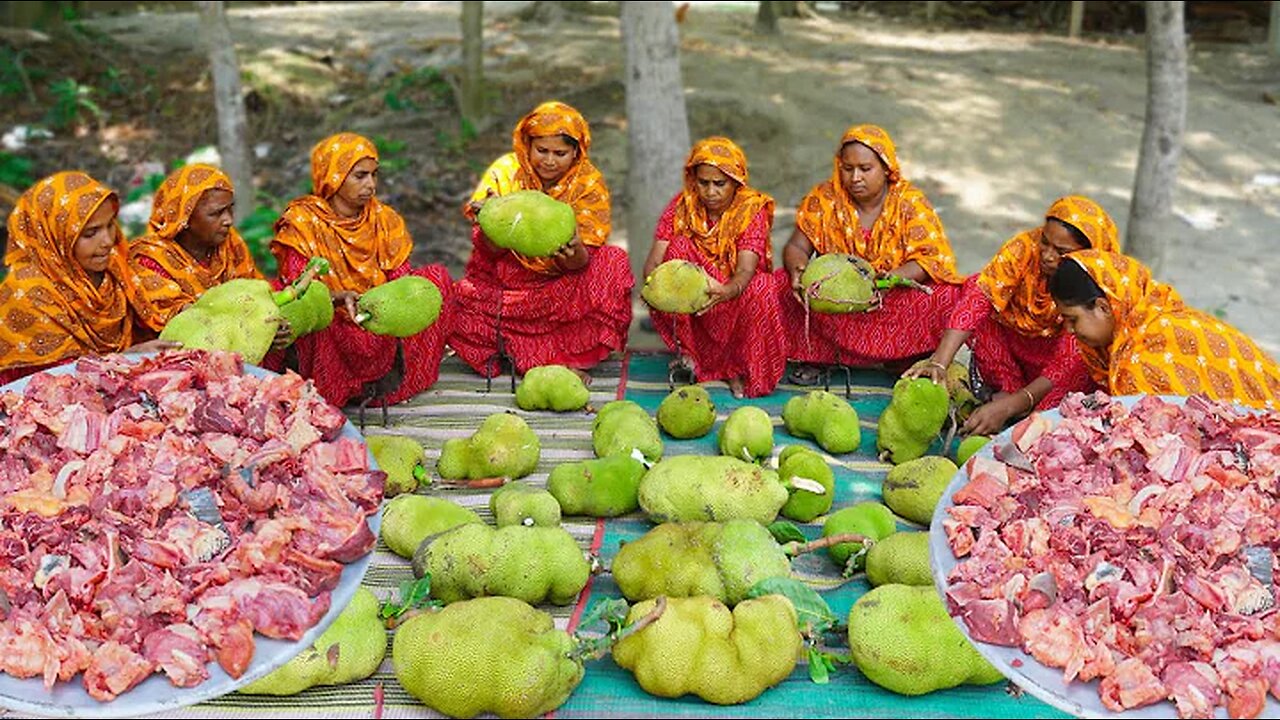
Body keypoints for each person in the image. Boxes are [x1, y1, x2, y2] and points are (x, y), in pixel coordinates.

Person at [451, 100, 632, 383]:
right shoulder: (506, 171)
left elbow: (582, 261)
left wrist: (572, 252)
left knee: (613, 262)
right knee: (453, 303)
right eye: (542, 150)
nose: (549, 160)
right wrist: (494, 223)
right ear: (527, 145)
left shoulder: (588, 184)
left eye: (560, 153)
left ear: (576, 151)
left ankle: (567, 360)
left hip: (560, 284)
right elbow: (485, 248)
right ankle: (522, 353)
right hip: (508, 281)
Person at [906, 196, 1120, 435]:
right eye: (1045, 242)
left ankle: (1026, 410)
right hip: (1014, 351)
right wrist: (939, 361)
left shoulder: (1095, 284)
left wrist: (1010, 407)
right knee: (973, 288)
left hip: (1060, 370)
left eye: (1061, 251)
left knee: (1078, 358)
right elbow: (980, 297)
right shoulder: (1024, 249)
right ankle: (1008, 390)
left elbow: (1068, 360)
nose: (1047, 255)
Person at [269, 132, 454, 408]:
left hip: (379, 321)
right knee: (293, 304)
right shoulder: (302, 221)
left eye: (374, 175)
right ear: (334, 175)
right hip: (332, 324)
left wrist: (380, 308)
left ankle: (399, 384)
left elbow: (401, 281)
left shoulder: (384, 219)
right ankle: (326, 394)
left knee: (435, 280)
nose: (371, 185)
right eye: (360, 176)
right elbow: (299, 287)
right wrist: (337, 297)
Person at [778, 124, 964, 384]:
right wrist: (797, 269)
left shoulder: (909, 202)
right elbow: (797, 247)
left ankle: (903, 356)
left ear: (886, 169)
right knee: (777, 284)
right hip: (837, 302)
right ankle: (819, 356)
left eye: (865, 169)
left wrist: (889, 279)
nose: (855, 178)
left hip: (889, 300)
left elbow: (930, 258)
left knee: (951, 295)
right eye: (847, 168)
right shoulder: (825, 198)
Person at [641, 136, 785, 399]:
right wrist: (652, 284)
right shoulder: (682, 206)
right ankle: (692, 355)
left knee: (764, 285)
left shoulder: (751, 209)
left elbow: (746, 269)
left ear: (736, 182)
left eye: (720, 184)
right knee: (679, 248)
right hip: (696, 299)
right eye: (703, 183)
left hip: (733, 295)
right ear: (692, 179)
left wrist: (727, 290)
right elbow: (655, 260)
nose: (711, 192)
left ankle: (739, 368)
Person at [0, 172, 176, 384]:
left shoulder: (115, 268)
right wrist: (127, 358)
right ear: (57, 237)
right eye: (90, 233)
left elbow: (156, 307)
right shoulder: (29, 295)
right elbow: (51, 384)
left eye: (110, 225)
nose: (107, 241)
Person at [1049, 249, 1280, 409]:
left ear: (1103, 307)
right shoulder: (1152, 317)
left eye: (1073, 319)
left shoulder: (1143, 360)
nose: (1068, 330)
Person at [128, 164, 284, 348]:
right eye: (216, 213)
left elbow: (255, 294)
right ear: (183, 219)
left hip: (232, 353)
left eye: (229, 209)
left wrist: (272, 324)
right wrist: (257, 326)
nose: (228, 220)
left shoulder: (230, 244)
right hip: (172, 362)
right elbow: (189, 319)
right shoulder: (148, 259)